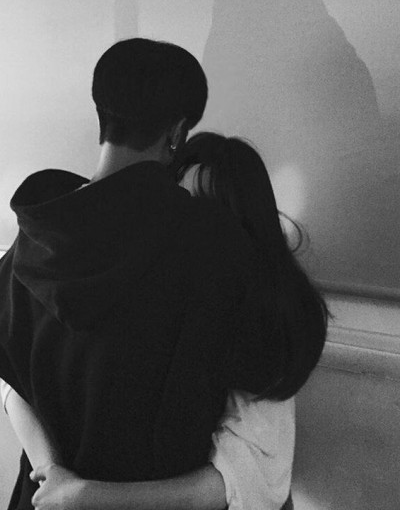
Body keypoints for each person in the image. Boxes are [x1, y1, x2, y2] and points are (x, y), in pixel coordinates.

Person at [0, 38, 326, 509]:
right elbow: (283, 360)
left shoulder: (34, 236)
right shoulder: (214, 244)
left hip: (44, 497)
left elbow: (13, 380)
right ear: (176, 133)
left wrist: (55, 473)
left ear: (101, 114)